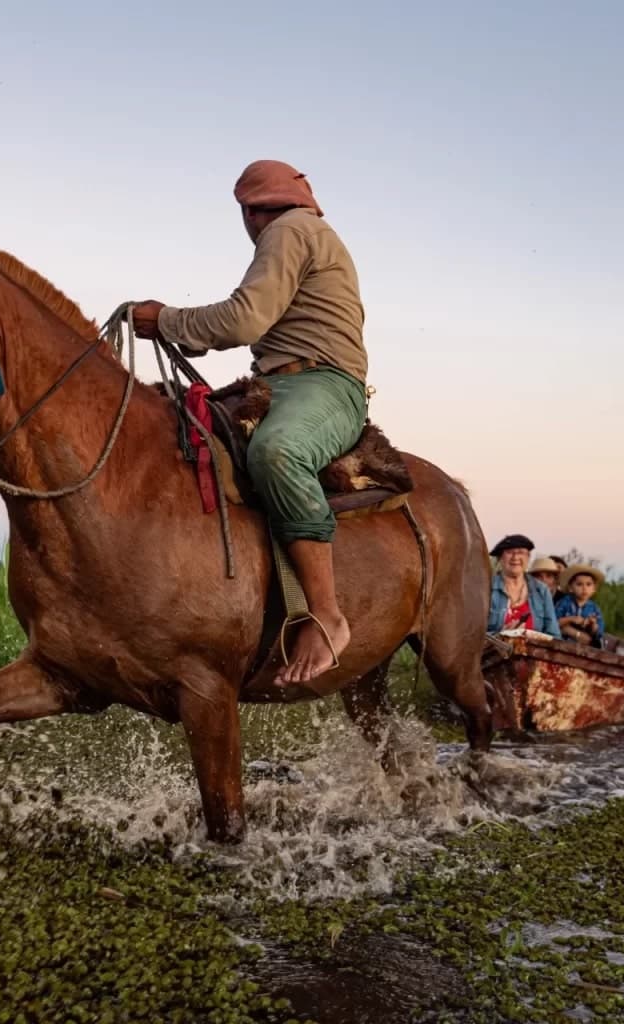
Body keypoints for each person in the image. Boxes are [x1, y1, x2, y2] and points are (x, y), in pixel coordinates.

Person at [128, 160, 368, 684]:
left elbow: (243, 318)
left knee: (276, 452)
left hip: (324, 384)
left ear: (251, 211)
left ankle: (326, 615)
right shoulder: (298, 230)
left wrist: (165, 320)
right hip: (274, 384)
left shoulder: (289, 230)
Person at [486, 534, 562, 637]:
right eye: (509, 552)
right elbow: (472, 633)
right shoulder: (486, 588)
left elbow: (554, 634)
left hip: (534, 652)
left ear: (528, 557)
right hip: (493, 652)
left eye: (521, 552)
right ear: (500, 557)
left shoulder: (541, 590)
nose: (515, 557)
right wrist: (499, 636)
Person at [554, 564, 607, 647]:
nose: (584, 588)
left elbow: (599, 632)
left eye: (588, 584)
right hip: (563, 643)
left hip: (585, 647)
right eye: (579, 584)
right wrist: (570, 619)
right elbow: (554, 622)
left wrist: (593, 625)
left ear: (594, 589)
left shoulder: (594, 609)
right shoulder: (564, 603)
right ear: (571, 588)